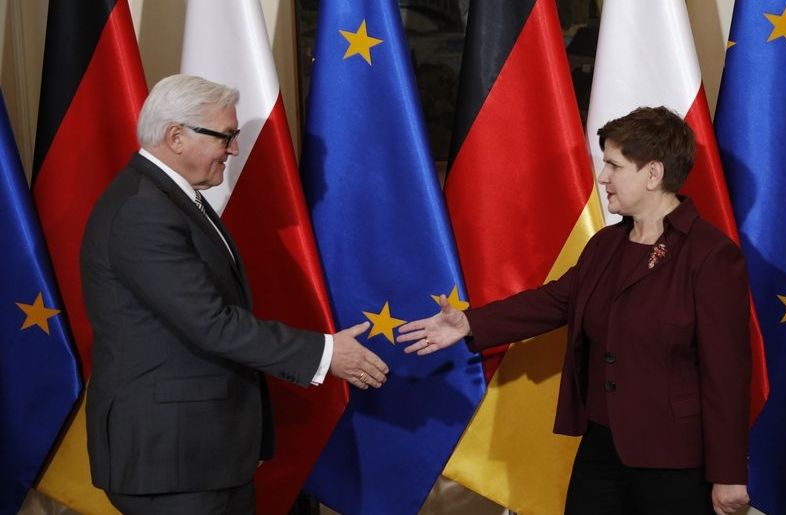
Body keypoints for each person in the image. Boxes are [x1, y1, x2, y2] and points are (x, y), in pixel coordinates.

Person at [398, 106, 751, 515]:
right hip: (600, 447)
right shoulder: (605, 245)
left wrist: (728, 472)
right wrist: (469, 322)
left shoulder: (711, 256)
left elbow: (726, 374)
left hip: (674, 461)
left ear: (653, 174)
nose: (602, 177)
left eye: (614, 166)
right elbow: (555, 301)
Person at [81, 74, 389, 514]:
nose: (234, 150)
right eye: (225, 136)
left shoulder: (171, 199)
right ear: (176, 137)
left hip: (200, 454)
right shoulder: (143, 210)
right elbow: (210, 323)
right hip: (172, 461)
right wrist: (325, 354)